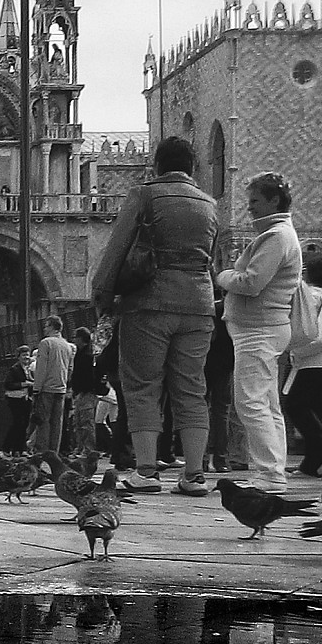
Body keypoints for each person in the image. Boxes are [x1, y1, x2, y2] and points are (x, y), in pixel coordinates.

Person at [92, 133, 222, 494]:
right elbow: (211, 256)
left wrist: (102, 293)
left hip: (149, 302)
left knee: (143, 385)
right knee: (192, 388)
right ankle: (194, 474)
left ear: (157, 165)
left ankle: (147, 471)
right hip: (198, 305)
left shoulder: (145, 194)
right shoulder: (210, 204)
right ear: (193, 168)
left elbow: (118, 247)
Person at [215, 170, 304, 494]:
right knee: (266, 404)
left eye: (254, 201)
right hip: (262, 329)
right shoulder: (279, 234)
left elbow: (252, 282)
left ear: (274, 200)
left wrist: (224, 276)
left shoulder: (276, 236)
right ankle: (272, 469)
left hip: (259, 330)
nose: (249, 208)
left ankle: (269, 475)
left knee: (251, 403)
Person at [285, 244, 322, 478]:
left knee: (297, 405)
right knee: (315, 407)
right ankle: (312, 462)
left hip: (313, 358)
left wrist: (298, 349)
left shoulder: (312, 296)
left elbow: (308, 326)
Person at [28, 315, 74, 457]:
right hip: (60, 388)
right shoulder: (68, 346)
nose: (44, 328)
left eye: (47, 326)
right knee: (57, 423)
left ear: (53, 327)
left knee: (43, 421)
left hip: (46, 388)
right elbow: (70, 368)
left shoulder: (46, 343)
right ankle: (53, 453)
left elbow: (41, 368)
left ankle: (41, 453)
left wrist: (37, 388)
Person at [68, 325, 106, 460]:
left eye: (75, 337)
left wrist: (81, 389)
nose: (73, 340)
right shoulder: (81, 354)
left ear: (81, 339)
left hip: (87, 392)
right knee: (78, 422)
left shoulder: (88, 356)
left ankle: (88, 449)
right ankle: (81, 447)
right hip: (80, 392)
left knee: (86, 422)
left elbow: (89, 376)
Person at [0, 342, 31, 452]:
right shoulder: (15, 369)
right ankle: (8, 447)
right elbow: (8, 384)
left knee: (24, 424)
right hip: (15, 400)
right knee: (18, 423)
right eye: (23, 355)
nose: (26, 357)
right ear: (18, 357)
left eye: (27, 354)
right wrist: (24, 384)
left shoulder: (29, 369)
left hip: (25, 399)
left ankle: (19, 449)